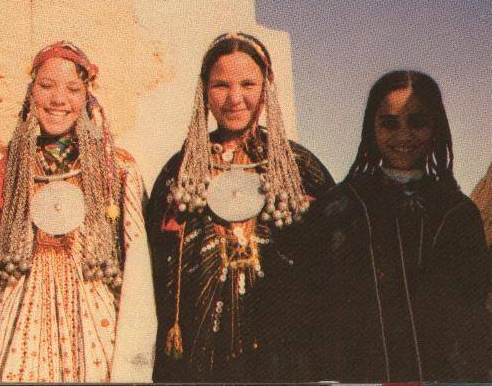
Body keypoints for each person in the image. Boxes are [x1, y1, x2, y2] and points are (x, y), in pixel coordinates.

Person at [0, 41, 156, 383]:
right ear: (31, 94)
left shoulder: (116, 169)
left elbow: (138, 278)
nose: (59, 99)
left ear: (87, 95)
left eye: (73, 88)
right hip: (16, 336)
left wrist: (131, 374)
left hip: (93, 335)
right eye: (46, 86)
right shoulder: (4, 174)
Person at [147, 32, 334, 382]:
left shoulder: (299, 168)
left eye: (248, 83)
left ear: (267, 87)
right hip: (201, 350)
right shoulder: (181, 171)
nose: (235, 98)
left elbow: (333, 264)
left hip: (284, 347)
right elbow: (158, 268)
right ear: (204, 90)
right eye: (221, 85)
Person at [301, 70, 491, 382]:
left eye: (417, 121)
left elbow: (471, 316)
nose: (403, 135)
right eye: (389, 123)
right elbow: (316, 313)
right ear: (371, 128)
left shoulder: (458, 213)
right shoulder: (339, 209)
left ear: (436, 127)